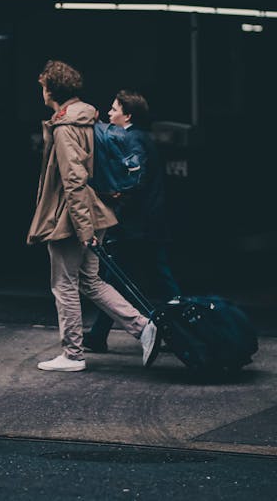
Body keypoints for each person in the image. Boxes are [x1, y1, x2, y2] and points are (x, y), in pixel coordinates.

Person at [27, 61, 159, 372]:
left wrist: (83, 228)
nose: (42, 92)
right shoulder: (88, 117)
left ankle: (73, 353)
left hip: (71, 216)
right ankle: (143, 327)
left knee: (64, 283)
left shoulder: (64, 127)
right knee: (91, 281)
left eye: (44, 87)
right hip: (93, 211)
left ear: (51, 90)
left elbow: (73, 179)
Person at [84, 89, 181, 354]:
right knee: (127, 277)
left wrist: (115, 197)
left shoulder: (131, 139)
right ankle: (98, 335)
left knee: (118, 278)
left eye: (114, 109)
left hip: (139, 225)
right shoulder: (138, 137)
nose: (109, 113)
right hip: (146, 223)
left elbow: (137, 178)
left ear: (127, 115)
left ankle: (184, 326)